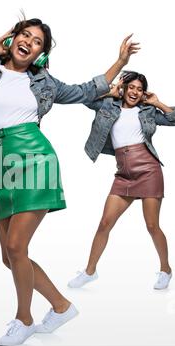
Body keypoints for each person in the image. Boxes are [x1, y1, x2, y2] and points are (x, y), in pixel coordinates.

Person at [0, 18, 138, 346]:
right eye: (24, 34)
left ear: (41, 52)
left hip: (35, 159)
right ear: (13, 38)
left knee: (16, 247)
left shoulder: (43, 83)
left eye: (38, 41)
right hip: (3, 162)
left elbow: (85, 90)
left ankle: (24, 318)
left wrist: (120, 63)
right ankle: (60, 305)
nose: (29, 41)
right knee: (9, 255)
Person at [68, 71, 175, 291]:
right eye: (131, 87)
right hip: (124, 173)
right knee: (105, 223)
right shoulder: (108, 105)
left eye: (139, 89)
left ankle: (166, 269)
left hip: (148, 170)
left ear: (144, 93)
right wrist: (110, 90)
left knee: (152, 225)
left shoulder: (148, 111)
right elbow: (87, 99)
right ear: (124, 88)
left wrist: (158, 103)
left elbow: (173, 118)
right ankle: (90, 271)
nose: (135, 92)